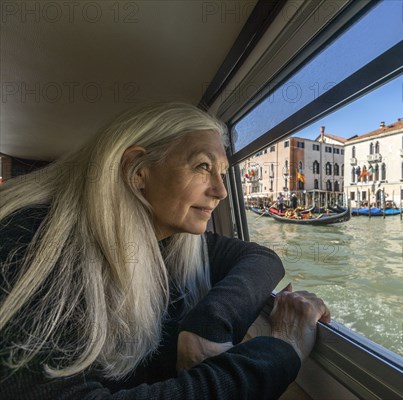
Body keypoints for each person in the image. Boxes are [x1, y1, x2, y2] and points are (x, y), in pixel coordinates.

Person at [0, 103, 330, 399]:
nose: (220, 191)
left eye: (223, 173)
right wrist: (283, 349)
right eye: (203, 166)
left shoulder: (169, 238)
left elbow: (262, 259)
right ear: (138, 171)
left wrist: (208, 325)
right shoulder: (32, 243)